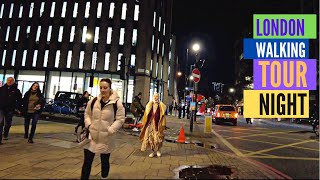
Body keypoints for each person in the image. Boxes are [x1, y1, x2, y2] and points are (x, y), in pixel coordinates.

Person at [81, 78, 125, 179]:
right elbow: (87, 114)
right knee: (87, 161)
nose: (102, 90)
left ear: (110, 88)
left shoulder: (117, 103)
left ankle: (104, 177)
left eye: (105, 87)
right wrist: (89, 125)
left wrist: (112, 129)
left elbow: (120, 119)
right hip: (91, 136)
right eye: (101, 87)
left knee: (104, 161)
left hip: (106, 137)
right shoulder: (93, 101)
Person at [139, 93, 167, 158]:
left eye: (157, 96)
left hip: (158, 124)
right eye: (155, 96)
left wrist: (163, 124)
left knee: (158, 138)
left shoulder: (161, 106)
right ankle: (152, 151)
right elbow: (146, 115)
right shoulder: (149, 105)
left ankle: (158, 150)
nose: (156, 97)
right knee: (150, 138)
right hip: (150, 124)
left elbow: (163, 116)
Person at [0, 77, 22, 144]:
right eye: (8, 80)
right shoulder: (1, 89)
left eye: (11, 80)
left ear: (13, 82)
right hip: (1, 108)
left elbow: (19, 100)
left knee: (8, 123)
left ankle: (6, 133)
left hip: (10, 109)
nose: (9, 81)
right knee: (0, 123)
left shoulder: (16, 90)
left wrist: (17, 107)